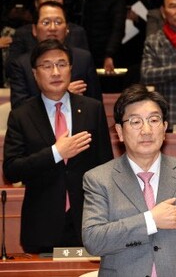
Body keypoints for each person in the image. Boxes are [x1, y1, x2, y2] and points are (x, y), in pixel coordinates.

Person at [82, 84, 176, 276]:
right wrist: (151, 220)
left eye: (154, 120)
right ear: (120, 132)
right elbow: (93, 240)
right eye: (136, 122)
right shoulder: (99, 179)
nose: (146, 130)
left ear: (164, 128)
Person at [2, 39, 113, 253]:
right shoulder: (21, 115)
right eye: (47, 65)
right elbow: (12, 170)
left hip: (88, 223)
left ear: (71, 69)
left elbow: (105, 167)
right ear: (35, 73)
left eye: (62, 64)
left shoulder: (92, 109)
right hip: (42, 226)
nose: (55, 72)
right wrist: (56, 152)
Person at [7, 1, 102, 109]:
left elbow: (96, 105)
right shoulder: (21, 64)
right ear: (34, 29)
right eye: (46, 22)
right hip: (38, 125)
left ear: (67, 29)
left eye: (58, 22)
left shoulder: (83, 59)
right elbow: (18, 108)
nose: (52, 28)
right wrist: (62, 94)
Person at [7, 0, 89, 62]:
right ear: (36, 3)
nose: (52, 0)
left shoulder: (78, 32)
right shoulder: (22, 34)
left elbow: (84, 65)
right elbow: (12, 68)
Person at [80, 0, 126, 73]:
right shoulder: (81, 0)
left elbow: (118, 29)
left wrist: (109, 54)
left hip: (109, 56)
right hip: (85, 54)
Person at [113, 0, 147, 87]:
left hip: (135, 56)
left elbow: (147, 32)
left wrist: (138, 20)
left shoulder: (140, 4)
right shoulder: (110, 4)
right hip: (116, 54)